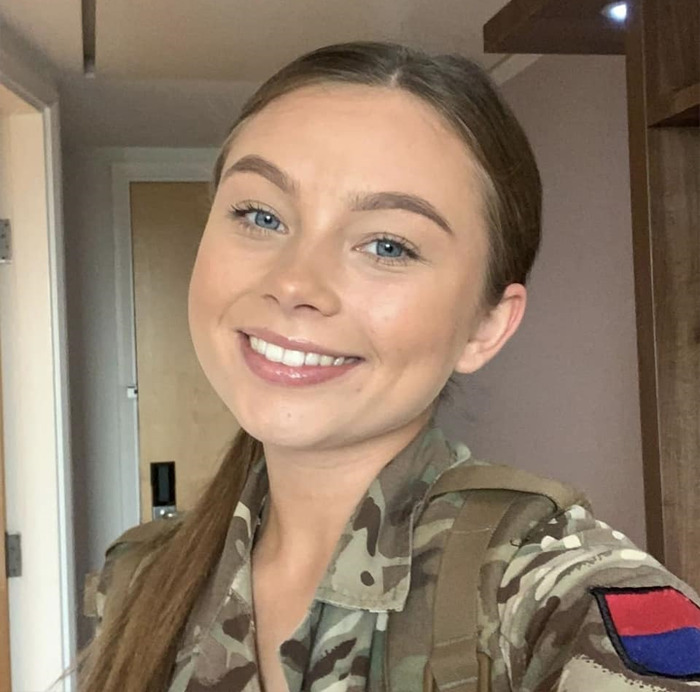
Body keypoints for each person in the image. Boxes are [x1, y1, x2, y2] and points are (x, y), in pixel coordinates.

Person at [79, 42, 700, 692]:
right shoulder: (140, 577)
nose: (295, 283)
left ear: (487, 325)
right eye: (260, 215)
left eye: (387, 244)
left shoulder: (557, 602)